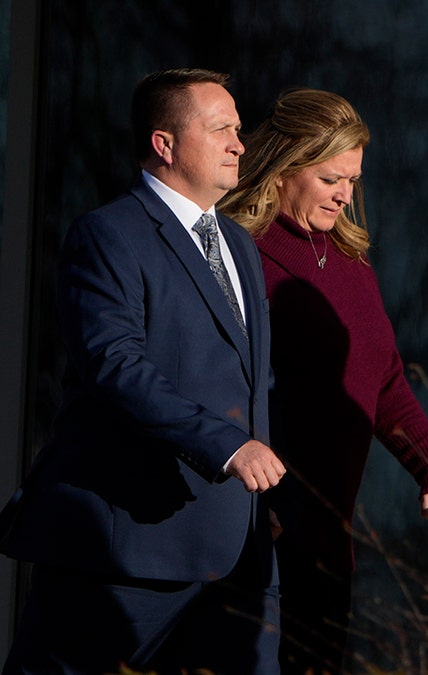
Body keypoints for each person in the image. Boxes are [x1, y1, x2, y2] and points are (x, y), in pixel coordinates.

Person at [0, 68, 285, 674]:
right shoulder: (108, 235)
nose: (240, 143)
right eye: (221, 130)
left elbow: (251, 382)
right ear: (165, 144)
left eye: (239, 129)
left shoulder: (238, 245)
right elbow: (114, 364)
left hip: (238, 553)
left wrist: (263, 503)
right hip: (128, 549)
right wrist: (227, 446)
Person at [218, 88, 428, 675]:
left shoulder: (349, 261)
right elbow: (214, 389)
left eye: (353, 180)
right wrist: (254, 500)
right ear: (283, 170)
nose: (345, 195)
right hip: (258, 536)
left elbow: (383, 382)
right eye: (332, 178)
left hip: (331, 543)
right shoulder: (235, 252)